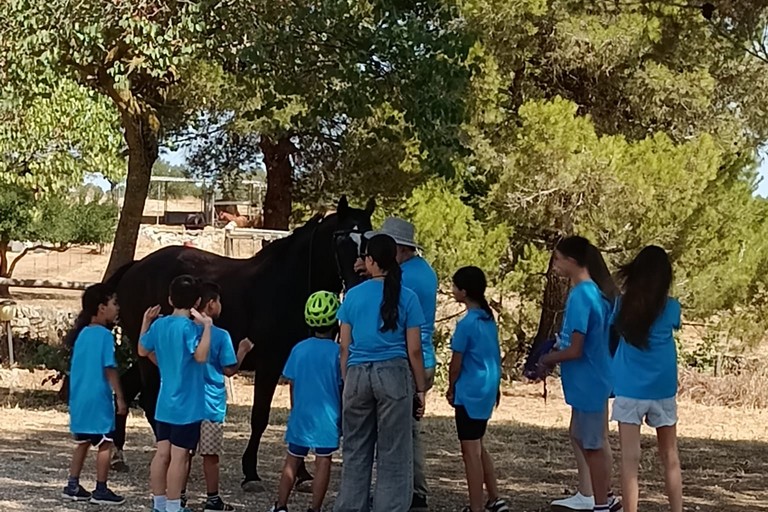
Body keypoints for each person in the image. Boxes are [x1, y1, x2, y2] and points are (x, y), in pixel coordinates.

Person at [334, 234, 428, 512]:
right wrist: (419, 388)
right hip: (394, 375)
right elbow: (414, 351)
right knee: (394, 451)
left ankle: (351, 506)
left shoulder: (352, 296)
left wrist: (346, 380)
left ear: (371, 261)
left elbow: (344, 347)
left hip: (358, 374)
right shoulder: (407, 297)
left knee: (356, 448)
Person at [363, 217, 439, 512]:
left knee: (400, 432)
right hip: (420, 357)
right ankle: (413, 489)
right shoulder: (424, 271)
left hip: (406, 360)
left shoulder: (404, 278)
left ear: (396, 249)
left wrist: (369, 277)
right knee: (408, 429)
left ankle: (411, 492)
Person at [539, 236, 616, 512]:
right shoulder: (594, 292)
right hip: (591, 378)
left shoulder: (582, 295)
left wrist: (546, 358)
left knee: (593, 442)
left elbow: (576, 349)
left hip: (589, 379)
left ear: (572, 261)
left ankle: (601, 501)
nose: (556, 264)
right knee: (581, 434)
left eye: (558, 258)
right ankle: (592, 493)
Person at [610, 246, 683, 512]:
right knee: (670, 457)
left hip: (629, 388)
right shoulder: (672, 307)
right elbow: (673, 324)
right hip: (663, 388)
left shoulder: (622, 305)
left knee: (630, 462)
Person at [139, 275, 212, 512]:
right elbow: (200, 356)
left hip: (165, 403)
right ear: (197, 301)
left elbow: (142, 349)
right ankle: (173, 506)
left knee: (162, 455)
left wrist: (145, 322)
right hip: (187, 405)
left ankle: (159, 504)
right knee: (179, 457)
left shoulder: (159, 325)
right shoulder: (190, 329)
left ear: (170, 298)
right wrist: (207, 328)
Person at [269, 291, 343, 512]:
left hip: (301, 415)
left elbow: (292, 383)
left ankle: (281, 506)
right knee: (323, 461)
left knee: (292, 460)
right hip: (328, 417)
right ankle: (315, 508)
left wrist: (295, 409)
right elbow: (342, 385)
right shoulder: (339, 353)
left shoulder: (298, 349)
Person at [446, 267, 508, 512]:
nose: (452, 291)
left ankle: (475, 507)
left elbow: (456, 363)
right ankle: (494, 497)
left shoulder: (466, 324)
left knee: (469, 452)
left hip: (469, 392)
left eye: (454, 286)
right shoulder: (487, 318)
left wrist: (451, 388)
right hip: (486, 389)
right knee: (478, 446)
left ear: (464, 291)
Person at [62, 283, 126, 505]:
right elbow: (109, 368)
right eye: (114, 303)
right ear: (101, 307)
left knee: (83, 441)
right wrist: (120, 396)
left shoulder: (82, 335)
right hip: (98, 398)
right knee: (105, 443)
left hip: (80, 398)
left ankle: (72, 484)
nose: (117, 308)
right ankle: (101, 488)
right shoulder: (104, 336)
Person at [196, 282, 255, 512]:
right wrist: (242, 350)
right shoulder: (220, 336)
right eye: (218, 301)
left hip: (188, 402)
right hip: (211, 403)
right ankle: (212, 499)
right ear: (211, 304)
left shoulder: (187, 330)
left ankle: (178, 496)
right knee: (210, 455)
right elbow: (229, 370)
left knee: (184, 453)